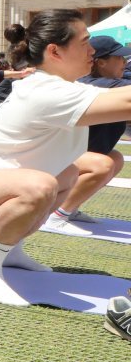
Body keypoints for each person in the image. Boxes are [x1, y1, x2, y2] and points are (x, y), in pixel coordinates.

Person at [0, 9, 131, 307]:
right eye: (85, 42)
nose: (92, 51)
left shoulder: (59, 85)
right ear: (54, 51)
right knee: (41, 185)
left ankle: (11, 250)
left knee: (68, 174)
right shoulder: (47, 90)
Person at [47, 35, 131, 229]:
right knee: (103, 164)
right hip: (51, 160)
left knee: (114, 158)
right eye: (118, 58)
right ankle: (57, 216)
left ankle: (70, 207)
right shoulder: (95, 85)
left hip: (68, 159)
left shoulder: (108, 82)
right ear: (100, 62)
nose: (124, 62)